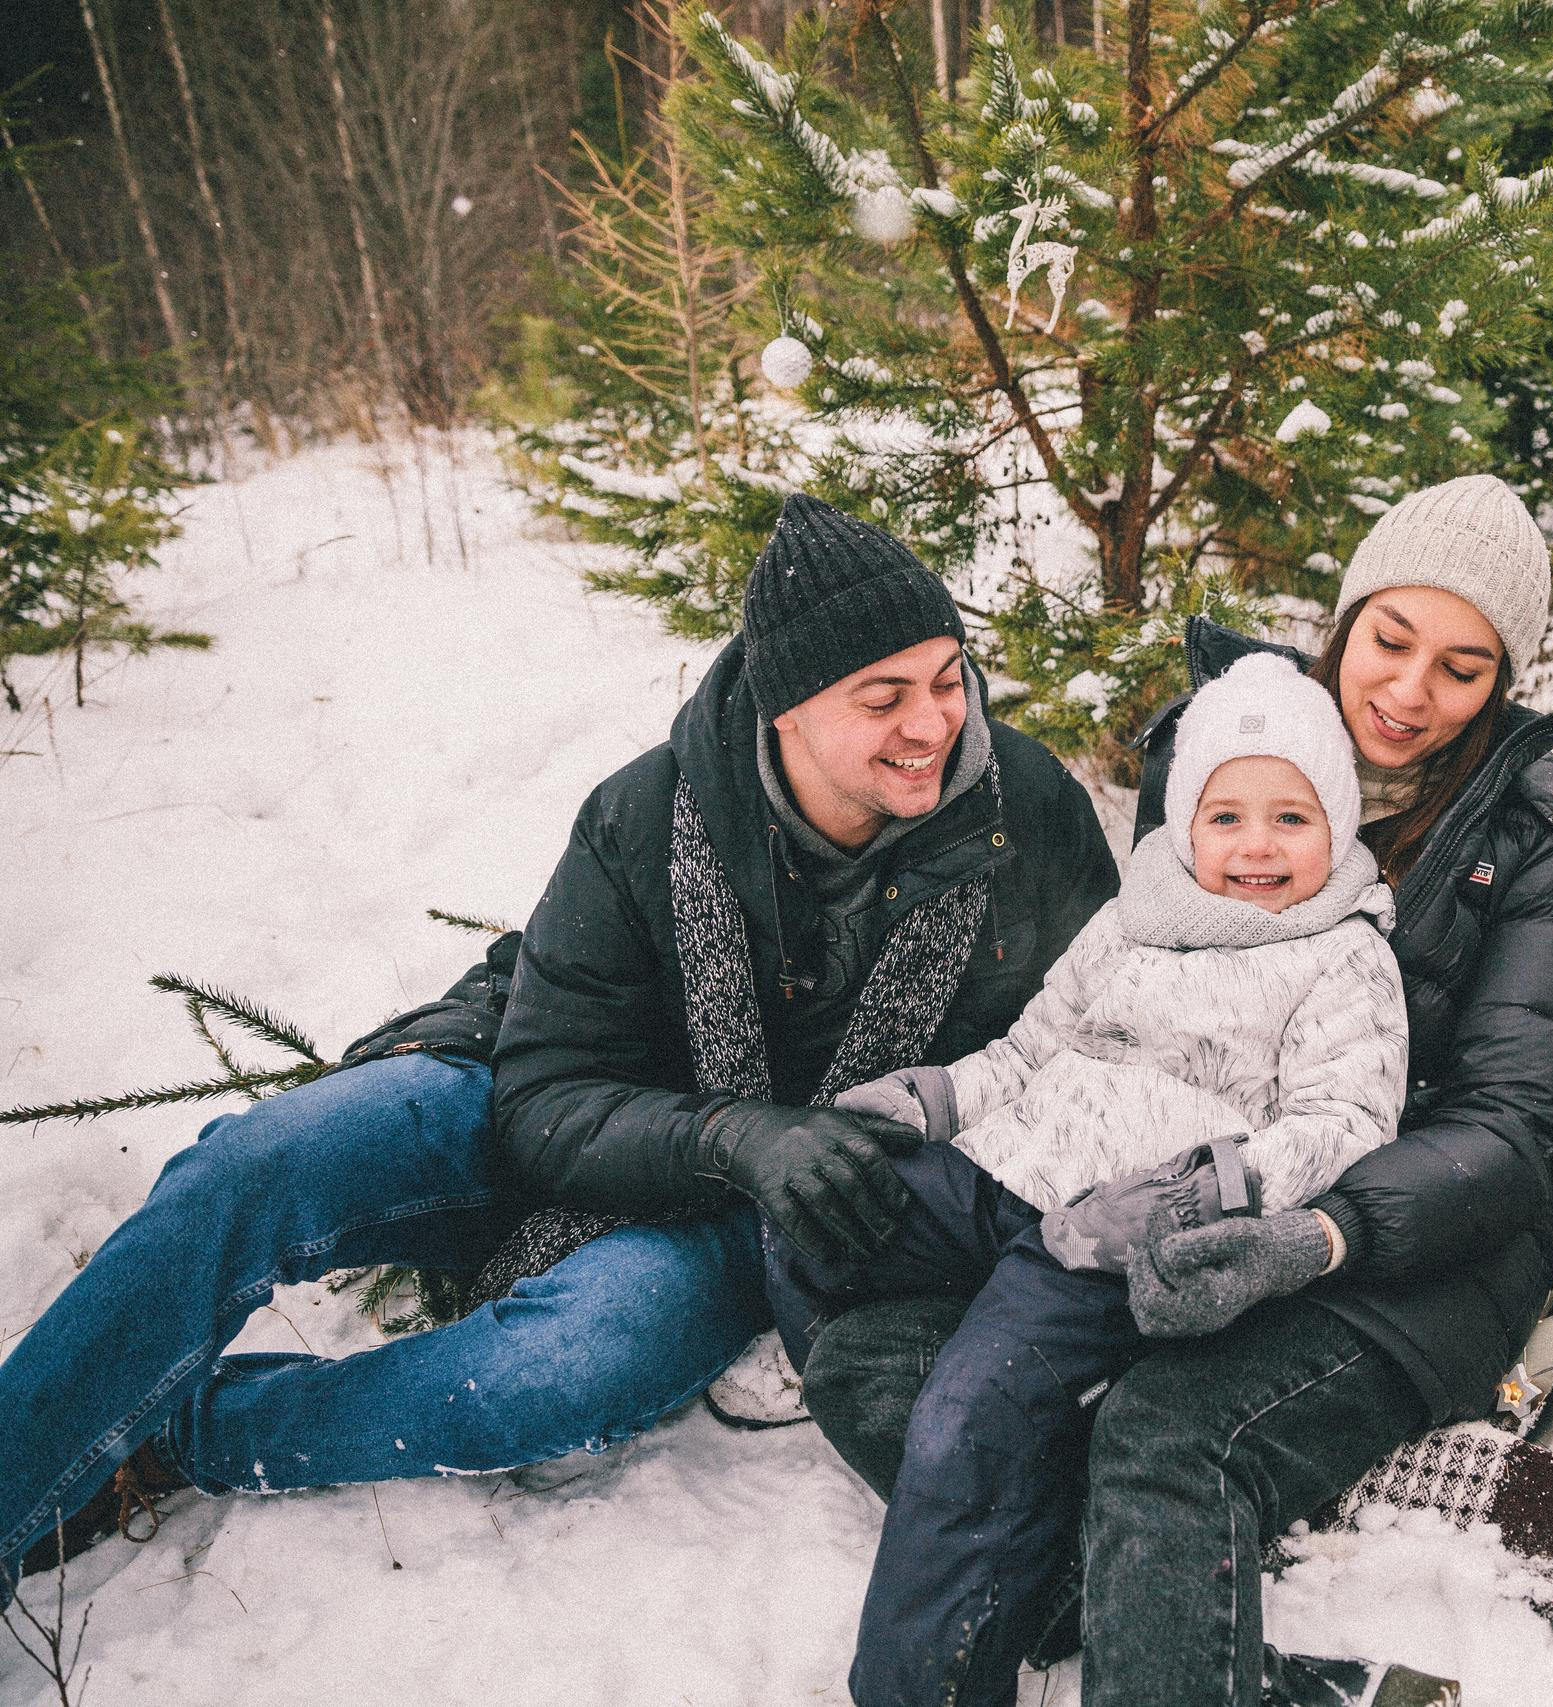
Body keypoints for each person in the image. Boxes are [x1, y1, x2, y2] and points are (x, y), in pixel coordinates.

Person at [0, 494, 1119, 1608]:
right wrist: (731, 1130)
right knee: (250, 1167)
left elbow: (1110, 1045)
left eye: (945, 678)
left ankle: (172, 1436)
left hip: (788, 1203)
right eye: (884, 698)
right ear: (785, 707)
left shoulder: (1029, 821)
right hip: (547, 1078)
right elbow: (540, 1091)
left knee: (555, 1368)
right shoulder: (650, 813)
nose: (933, 724)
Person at [802, 473, 1553, 1707]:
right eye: (1390, 640)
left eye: (1463, 667)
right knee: (870, 1360)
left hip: (1409, 1242)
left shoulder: (1535, 847)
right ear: (1346, 623)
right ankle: (1151, 1610)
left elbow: (1509, 1131)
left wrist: (1311, 1231)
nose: (1408, 691)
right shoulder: (1228, 735)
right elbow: (1145, 1006)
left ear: (1502, 684)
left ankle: (1161, 1599)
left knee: (1166, 1436)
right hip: (1167, 1187)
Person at [769, 652, 1409, 1707]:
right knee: (811, 1203)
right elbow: (1028, 1051)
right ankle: (1006, 1476)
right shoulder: (1134, 916)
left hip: (1105, 1238)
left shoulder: (1340, 953)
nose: (1255, 846)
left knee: (965, 1421)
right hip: (999, 1170)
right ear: (1185, 824)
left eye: (1291, 820)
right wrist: (935, 1099)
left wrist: (1206, 1190)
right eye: (1227, 816)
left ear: (1337, 828)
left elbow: (1346, 1121)